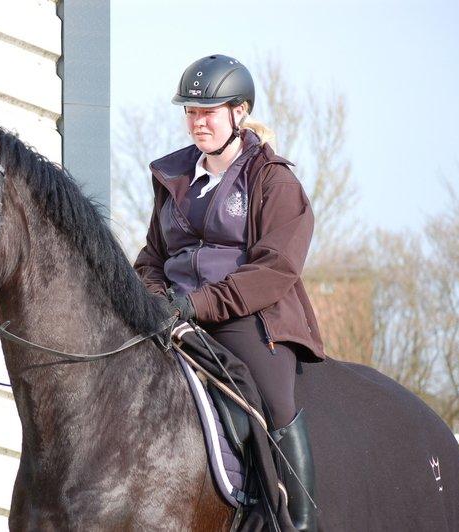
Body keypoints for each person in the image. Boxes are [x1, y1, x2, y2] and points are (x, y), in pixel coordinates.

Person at [133, 54, 326, 531]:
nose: (198, 122)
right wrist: (156, 298)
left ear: (238, 112)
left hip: (248, 318)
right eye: (191, 112)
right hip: (172, 314)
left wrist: (197, 304)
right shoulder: (175, 178)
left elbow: (275, 268)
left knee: (274, 401)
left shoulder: (273, 180)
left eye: (209, 112)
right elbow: (151, 257)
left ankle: (298, 522)